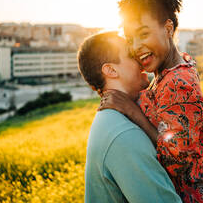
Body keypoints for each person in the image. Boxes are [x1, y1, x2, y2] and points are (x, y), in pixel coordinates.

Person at [99, 0, 203, 203]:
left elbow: (178, 161)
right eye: (131, 39)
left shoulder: (178, 83)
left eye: (143, 34)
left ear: (168, 29)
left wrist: (132, 111)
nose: (136, 46)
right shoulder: (171, 71)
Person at [77, 31, 182, 203]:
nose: (141, 59)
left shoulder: (115, 119)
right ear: (111, 70)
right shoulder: (124, 134)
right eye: (131, 55)